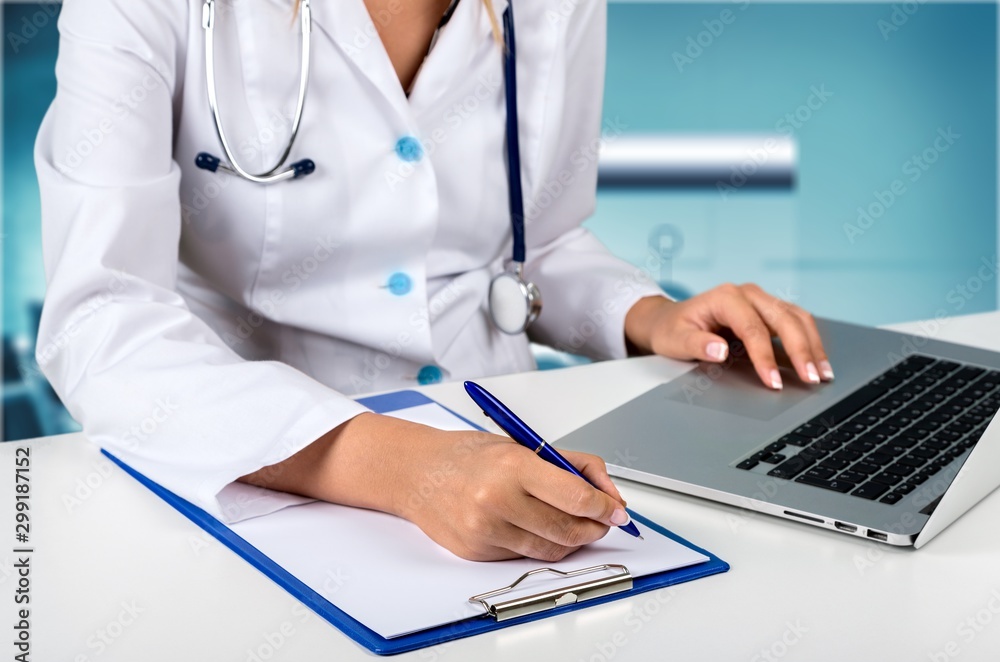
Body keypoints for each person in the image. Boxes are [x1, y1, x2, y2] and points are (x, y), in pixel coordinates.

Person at [34, 0, 832, 562]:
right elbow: (102, 320)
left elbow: (536, 240)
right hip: (249, 471)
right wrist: (401, 466)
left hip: (500, 452)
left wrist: (651, 316)